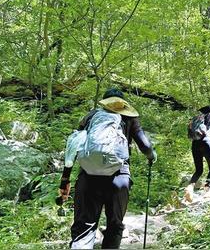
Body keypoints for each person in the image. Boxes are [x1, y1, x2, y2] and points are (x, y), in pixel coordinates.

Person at [58, 88, 157, 249]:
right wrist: (152, 156)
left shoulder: (90, 117)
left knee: (84, 229)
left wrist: (65, 180)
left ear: (104, 103)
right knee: (114, 225)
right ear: (123, 104)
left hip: (88, 177)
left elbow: (73, 146)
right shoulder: (129, 117)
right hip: (119, 179)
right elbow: (145, 146)